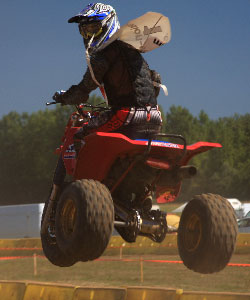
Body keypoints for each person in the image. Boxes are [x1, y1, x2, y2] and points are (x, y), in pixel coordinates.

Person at [43, 3, 163, 229]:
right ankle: (128, 192)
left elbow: (83, 90)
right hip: (155, 118)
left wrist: (64, 96)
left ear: (108, 25)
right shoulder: (134, 51)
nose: (89, 35)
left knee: (79, 135)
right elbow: (155, 78)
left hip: (126, 115)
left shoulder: (105, 54)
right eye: (85, 31)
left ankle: (89, 189)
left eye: (94, 29)